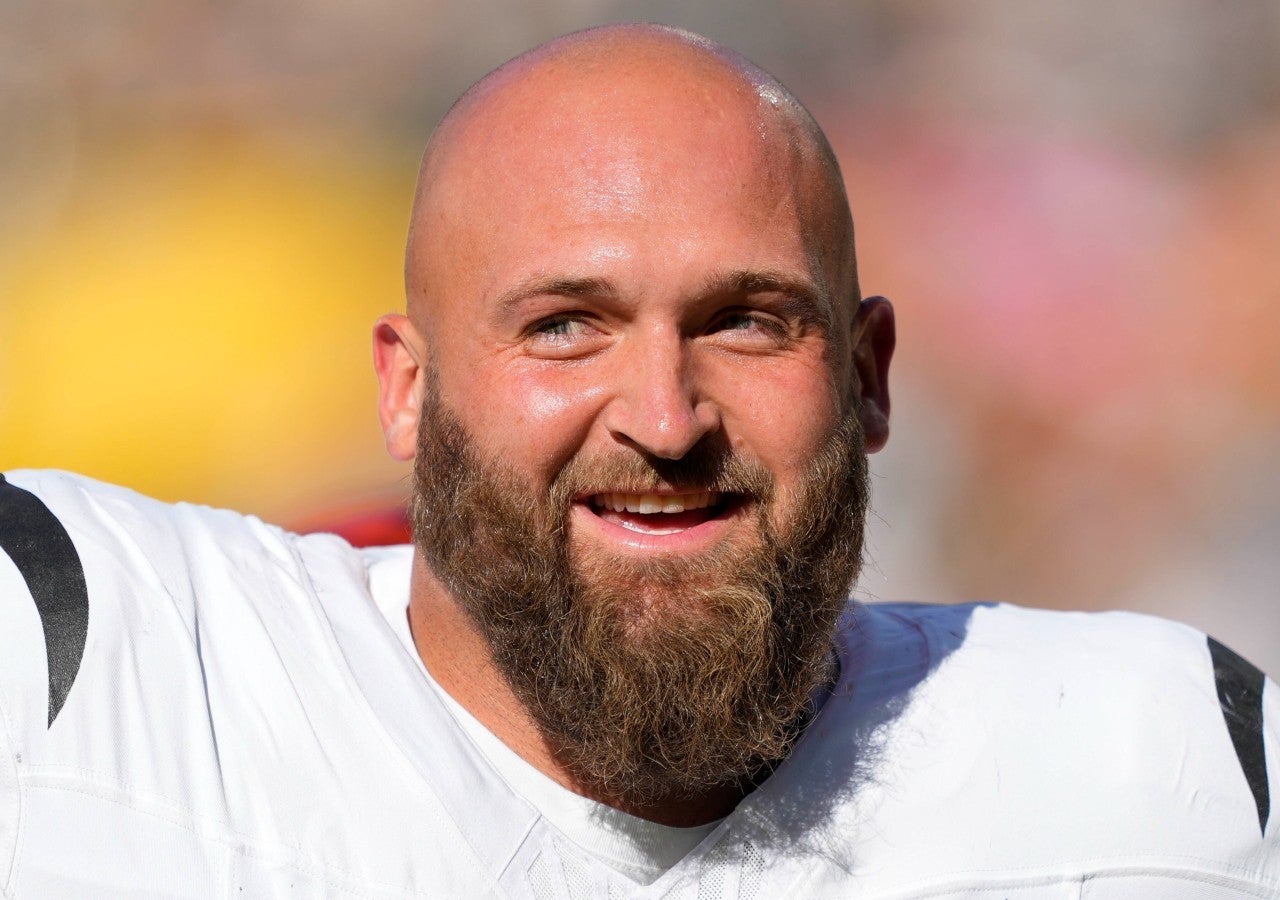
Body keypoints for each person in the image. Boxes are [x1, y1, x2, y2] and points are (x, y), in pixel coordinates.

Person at [0, 24, 1275, 898]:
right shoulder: (97, 664)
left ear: (872, 374)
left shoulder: (1167, 766)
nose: (664, 419)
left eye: (744, 320)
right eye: (565, 326)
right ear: (406, 385)